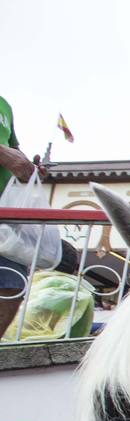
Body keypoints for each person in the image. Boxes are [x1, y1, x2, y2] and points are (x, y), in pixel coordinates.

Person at [0, 94, 37, 337]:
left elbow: (14, 151)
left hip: (5, 218)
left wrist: (27, 167)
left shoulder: (5, 105)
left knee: (12, 286)